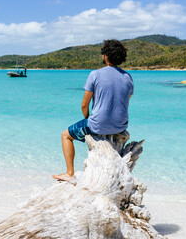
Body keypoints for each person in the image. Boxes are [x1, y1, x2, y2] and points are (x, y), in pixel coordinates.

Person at [52, 39, 134, 181]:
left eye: (103, 53)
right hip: (121, 126)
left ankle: (69, 173)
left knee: (65, 135)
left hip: (98, 125)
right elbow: (126, 100)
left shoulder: (95, 75)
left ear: (106, 56)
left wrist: (88, 118)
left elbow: (84, 105)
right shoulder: (128, 77)